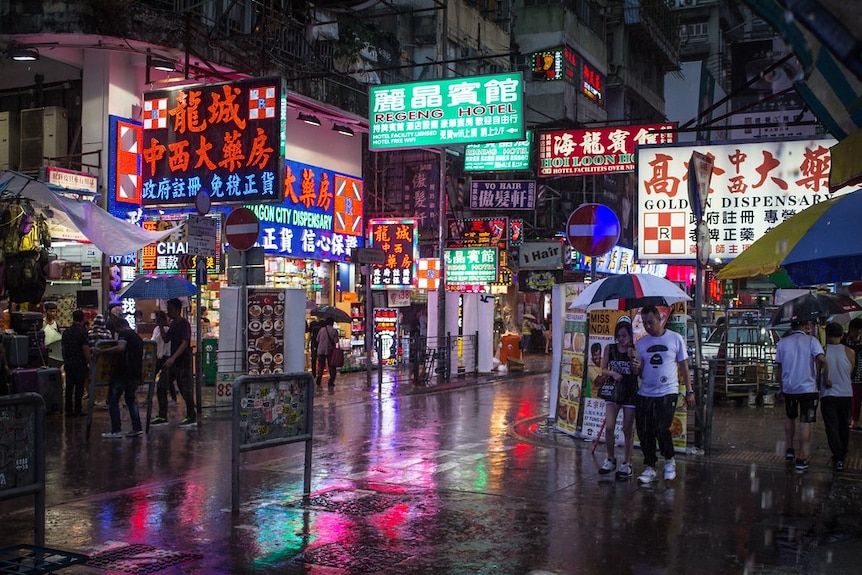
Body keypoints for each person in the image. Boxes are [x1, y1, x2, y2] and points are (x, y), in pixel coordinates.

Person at [631, 305, 694, 484]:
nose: (648, 326)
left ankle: (669, 460)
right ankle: (650, 465)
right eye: (644, 323)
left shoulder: (675, 339)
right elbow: (640, 371)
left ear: (660, 319)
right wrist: (636, 367)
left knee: (661, 427)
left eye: (651, 322)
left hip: (668, 391)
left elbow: (684, 366)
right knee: (644, 431)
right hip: (645, 392)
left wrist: (689, 390)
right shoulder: (641, 343)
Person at [775, 319, 827, 472]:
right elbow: (821, 360)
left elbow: (779, 367)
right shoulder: (812, 340)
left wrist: (781, 387)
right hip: (808, 389)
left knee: (790, 417)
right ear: (805, 326)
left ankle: (790, 449)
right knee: (805, 421)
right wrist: (823, 376)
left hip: (790, 388)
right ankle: (802, 457)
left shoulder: (783, 342)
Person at [598, 320, 638, 479]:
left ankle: (626, 462)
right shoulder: (610, 348)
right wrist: (613, 373)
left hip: (629, 392)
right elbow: (602, 369)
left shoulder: (634, 350)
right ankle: (610, 458)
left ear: (630, 336)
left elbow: (638, 372)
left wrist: (634, 360)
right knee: (609, 426)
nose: (621, 339)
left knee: (627, 429)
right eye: (619, 336)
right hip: (614, 390)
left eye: (624, 336)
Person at [153, 298, 196, 428]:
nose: (168, 312)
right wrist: (160, 325)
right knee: (161, 386)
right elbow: (166, 339)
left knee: (185, 390)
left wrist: (173, 358)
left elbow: (184, 343)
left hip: (182, 361)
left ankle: (191, 416)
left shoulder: (184, 324)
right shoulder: (173, 324)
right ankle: (162, 415)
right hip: (173, 362)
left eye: (170, 309)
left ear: (177, 310)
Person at [99, 317, 144, 438]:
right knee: (130, 399)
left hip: (124, 372)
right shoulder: (137, 337)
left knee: (113, 400)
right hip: (135, 373)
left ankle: (116, 430)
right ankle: (137, 427)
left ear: (119, 327)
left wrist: (101, 351)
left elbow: (120, 348)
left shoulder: (124, 334)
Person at [821, 322, 854, 472]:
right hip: (846, 393)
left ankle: (838, 455)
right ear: (842, 335)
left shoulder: (823, 352)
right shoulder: (850, 352)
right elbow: (850, 372)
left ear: (827, 335)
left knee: (831, 426)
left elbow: (818, 373)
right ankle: (843, 452)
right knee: (843, 425)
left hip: (828, 394)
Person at [61, 309, 90, 417]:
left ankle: (68, 410)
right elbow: (85, 349)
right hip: (79, 363)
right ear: (83, 318)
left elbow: (63, 348)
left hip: (69, 362)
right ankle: (78, 409)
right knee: (79, 387)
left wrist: (65, 360)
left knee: (69, 387)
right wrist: (89, 362)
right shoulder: (82, 332)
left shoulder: (66, 332)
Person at [841, 317, 862, 431]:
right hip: (846, 375)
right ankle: (848, 420)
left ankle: (855, 421)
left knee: (857, 399)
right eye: (855, 330)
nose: (857, 333)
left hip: (859, 375)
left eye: (859, 330)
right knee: (849, 400)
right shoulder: (844, 342)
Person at [151, 310, 176, 403]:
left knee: (167, 379)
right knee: (154, 376)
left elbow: (164, 339)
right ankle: (149, 397)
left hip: (165, 356)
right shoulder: (157, 329)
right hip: (158, 356)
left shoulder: (167, 329)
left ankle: (173, 398)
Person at [315, 317, 339, 388]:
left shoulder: (321, 330)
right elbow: (336, 341)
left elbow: (317, 339)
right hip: (329, 350)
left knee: (321, 365)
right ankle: (331, 381)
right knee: (331, 366)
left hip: (321, 350)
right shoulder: (334, 331)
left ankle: (319, 378)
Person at [42, 301, 63, 367]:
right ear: (46, 311)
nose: (52, 313)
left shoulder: (56, 324)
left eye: (54, 311)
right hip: (44, 349)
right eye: (50, 311)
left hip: (54, 351)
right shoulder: (42, 323)